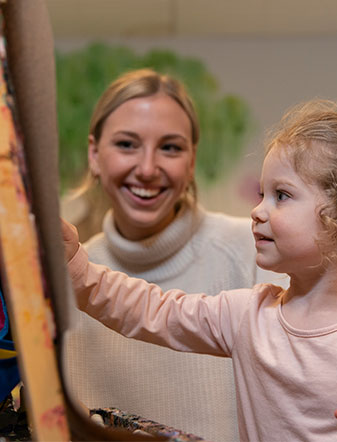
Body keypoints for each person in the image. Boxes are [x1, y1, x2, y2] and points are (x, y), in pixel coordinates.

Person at [63, 100, 337, 441]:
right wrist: (77, 269)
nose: (258, 210)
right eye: (261, 193)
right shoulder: (248, 314)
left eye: (281, 195)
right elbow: (153, 311)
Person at [63, 68, 287, 442]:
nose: (148, 169)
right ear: (94, 155)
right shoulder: (65, 279)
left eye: (170, 147)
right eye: (126, 144)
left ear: (192, 160)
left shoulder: (256, 252)